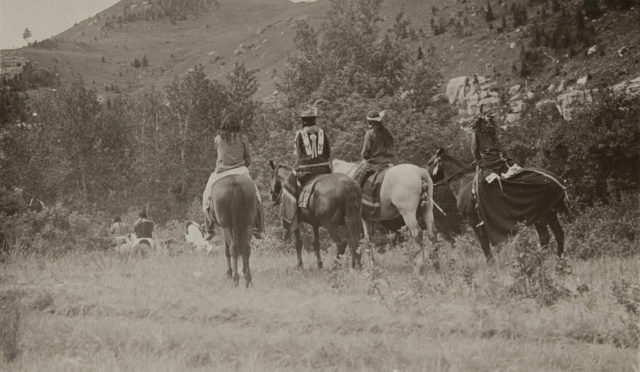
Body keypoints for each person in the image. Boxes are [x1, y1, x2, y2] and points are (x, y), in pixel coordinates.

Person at [202, 117, 265, 240]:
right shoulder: (243, 138)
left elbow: (218, 156)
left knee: (206, 196)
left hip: (221, 173)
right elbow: (248, 159)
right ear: (237, 126)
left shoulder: (218, 139)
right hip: (241, 171)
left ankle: (209, 229)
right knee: (257, 198)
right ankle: (258, 228)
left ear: (224, 126)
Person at [280, 105, 332, 233]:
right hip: (324, 169)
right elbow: (328, 153)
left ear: (303, 121)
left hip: (305, 171)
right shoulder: (323, 133)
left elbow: (298, 155)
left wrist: (298, 166)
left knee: (289, 189)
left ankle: (293, 217)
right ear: (314, 119)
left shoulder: (300, 134)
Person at [352, 110, 395, 187]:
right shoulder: (388, 132)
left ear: (369, 122)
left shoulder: (370, 133)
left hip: (375, 163)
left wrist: (365, 157)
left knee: (354, 181)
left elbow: (365, 153)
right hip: (389, 162)